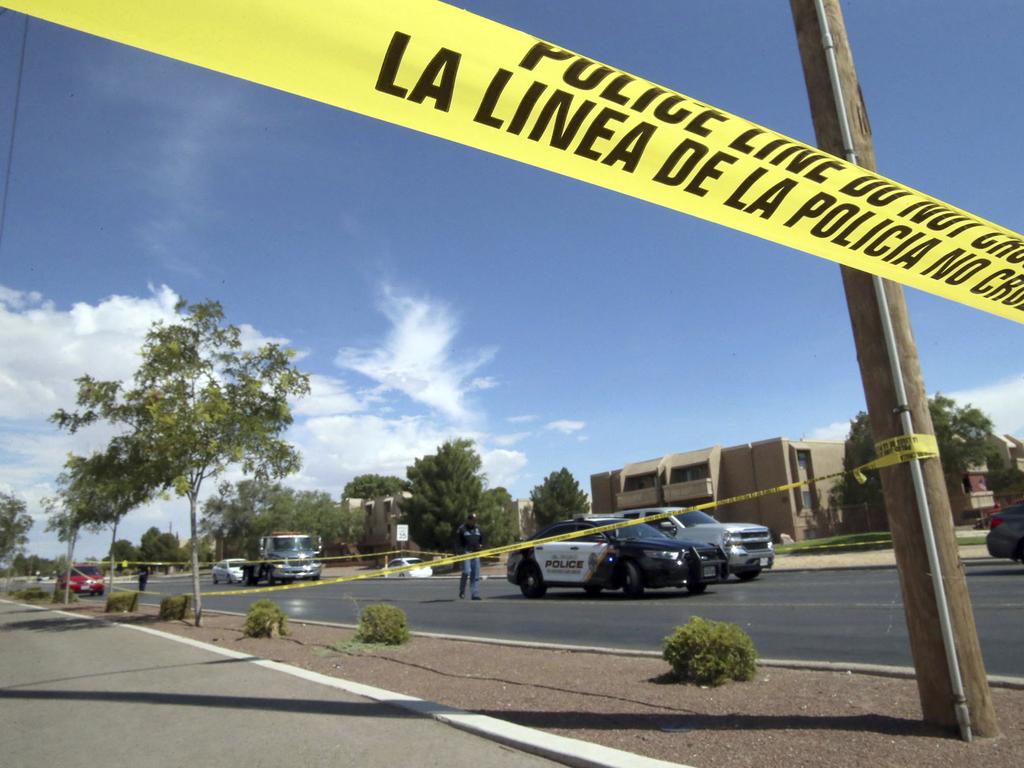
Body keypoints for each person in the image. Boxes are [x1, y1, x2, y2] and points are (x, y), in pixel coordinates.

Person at [456, 513, 484, 600]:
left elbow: (482, 538)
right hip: (466, 552)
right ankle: (462, 591)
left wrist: (481, 546)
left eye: (475, 520)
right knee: (466, 571)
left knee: (475, 574)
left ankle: (474, 594)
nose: (474, 522)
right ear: (468, 520)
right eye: (472, 520)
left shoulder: (478, 528)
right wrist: (459, 552)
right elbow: (457, 541)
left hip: (476, 553)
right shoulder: (462, 529)